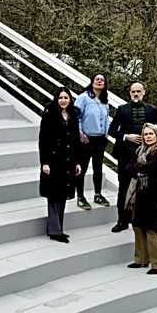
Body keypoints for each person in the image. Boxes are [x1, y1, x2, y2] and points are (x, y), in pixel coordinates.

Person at [108, 82, 157, 233]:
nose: (136, 94)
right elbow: (112, 130)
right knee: (123, 188)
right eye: (133, 91)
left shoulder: (151, 110)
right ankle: (122, 221)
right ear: (130, 93)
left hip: (146, 157)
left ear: (144, 92)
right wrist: (127, 136)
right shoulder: (122, 109)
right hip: (125, 156)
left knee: (145, 189)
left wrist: (156, 147)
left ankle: (139, 220)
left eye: (138, 91)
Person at [39, 86, 82, 242]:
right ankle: (54, 231)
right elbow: (43, 140)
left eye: (66, 98)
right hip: (53, 161)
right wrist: (45, 162)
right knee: (53, 195)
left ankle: (59, 228)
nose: (63, 100)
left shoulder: (73, 116)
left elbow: (76, 139)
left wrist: (77, 161)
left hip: (68, 161)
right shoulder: (49, 116)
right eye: (60, 98)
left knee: (63, 195)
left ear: (70, 100)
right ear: (56, 100)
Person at [125, 123, 157, 274]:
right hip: (138, 193)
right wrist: (138, 167)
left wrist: (137, 167)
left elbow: (153, 169)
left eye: (151, 134)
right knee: (137, 225)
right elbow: (128, 168)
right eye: (146, 134)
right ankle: (141, 259)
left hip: (152, 195)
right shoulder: (139, 150)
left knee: (151, 228)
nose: (148, 137)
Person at [74, 73, 111, 210]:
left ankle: (97, 194)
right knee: (81, 168)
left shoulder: (104, 101)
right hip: (86, 139)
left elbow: (107, 119)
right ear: (92, 82)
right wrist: (80, 133)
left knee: (98, 168)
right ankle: (80, 197)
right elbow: (75, 117)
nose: (100, 81)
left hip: (100, 140)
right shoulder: (83, 98)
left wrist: (106, 133)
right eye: (97, 79)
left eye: (102, 80)